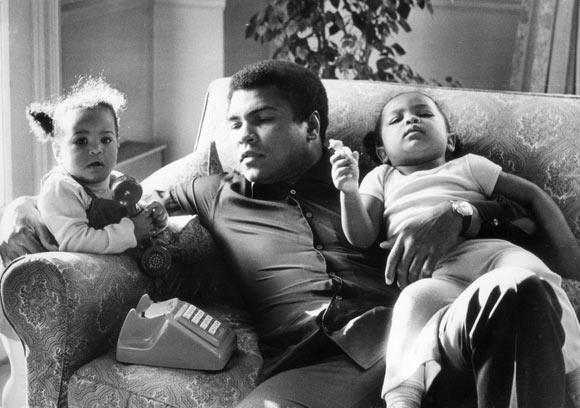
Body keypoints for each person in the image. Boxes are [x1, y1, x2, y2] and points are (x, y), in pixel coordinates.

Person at [0, 60, 569, 408]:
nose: (243, 136)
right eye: (234, 123)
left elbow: (530, 232)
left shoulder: (371, 179)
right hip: (315, 366)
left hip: (417, 337)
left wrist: (463, 215)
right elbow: (112, 191)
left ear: (311, 128)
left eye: (263, 119)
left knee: (516, 294)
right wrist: (25, 212)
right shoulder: (210, 189)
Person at [330, 90, 580, 408]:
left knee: (534, 279)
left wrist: (570, 253)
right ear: (382, 153)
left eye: (424, 113)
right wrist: (348, 190)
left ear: (450, 140)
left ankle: (575, 374)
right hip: (436, 272)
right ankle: (403, 395)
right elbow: (362, 235)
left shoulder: (469, 166)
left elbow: (529, 194)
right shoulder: (382, 177)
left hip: (491, 253)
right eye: (396, 119)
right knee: (411, 304)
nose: (411, 119)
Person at [27, 76, 168, 254]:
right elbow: (75, 241)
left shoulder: (117, 180)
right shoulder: (61, 188)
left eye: (106, 139)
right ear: (58, 151)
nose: (96, 149)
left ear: (117, 144)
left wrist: (154, 219)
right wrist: (131, 231)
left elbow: (138, 220)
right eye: (81, 141)